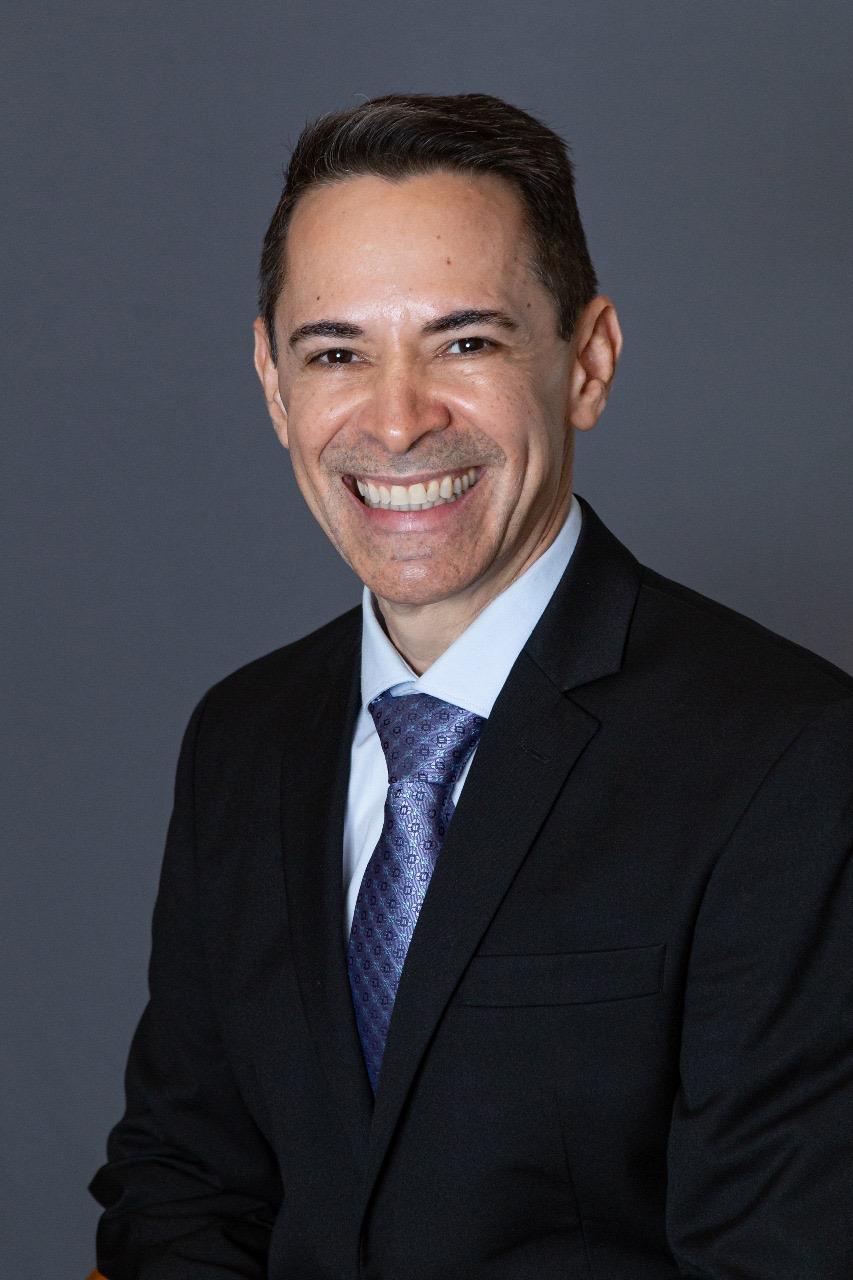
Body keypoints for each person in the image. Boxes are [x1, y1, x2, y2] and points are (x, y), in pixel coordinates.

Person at [88, 93, 853, 1280]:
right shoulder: (241, 737)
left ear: (586, 362)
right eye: (336, 352)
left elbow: (778, 1252)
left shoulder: (788, 758)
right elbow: (183, 1176)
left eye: (465, 343)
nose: (397, 422)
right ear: (274, 383)